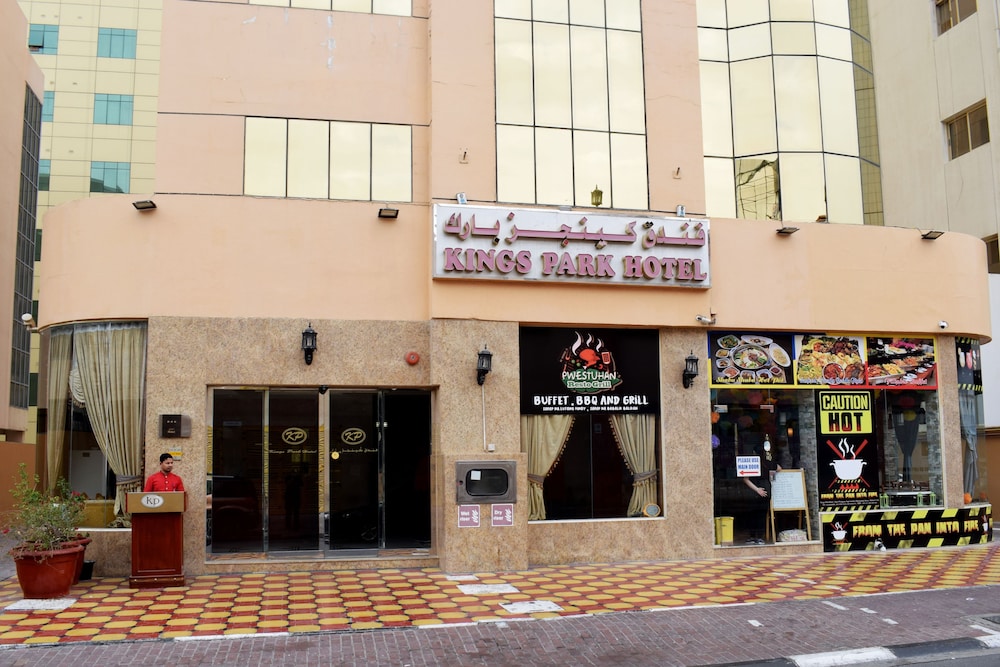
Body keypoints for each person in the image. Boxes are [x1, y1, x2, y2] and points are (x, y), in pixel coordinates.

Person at [743, 434, 781, 544]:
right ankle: (760, 537)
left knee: (752, 514)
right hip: (766, 490)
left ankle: (752, 537)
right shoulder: (769, 462)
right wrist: (771, 474)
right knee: (762, 515)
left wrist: (757, 490)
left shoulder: (752, 463)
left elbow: (745, 479)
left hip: (754, 492)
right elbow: (779, 468)